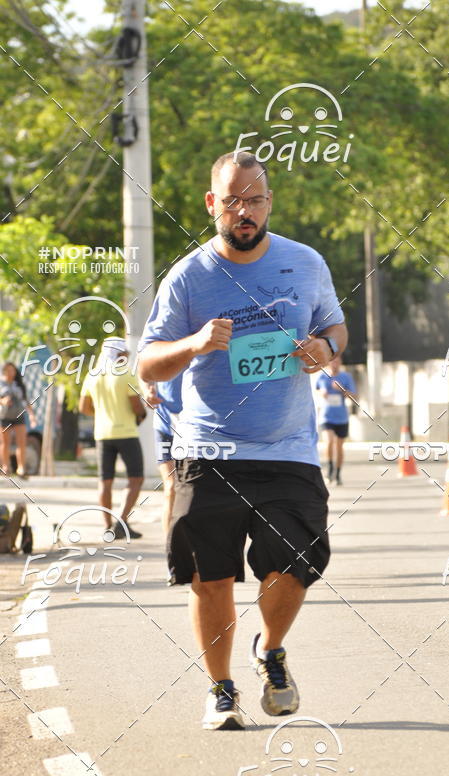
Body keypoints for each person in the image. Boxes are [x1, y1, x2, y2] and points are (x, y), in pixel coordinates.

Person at [138, 150, 348, 731]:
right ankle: (221, 688)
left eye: (254, 200)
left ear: (269, 203)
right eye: (232, 200)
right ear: (213, 204)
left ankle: (270, 649)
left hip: (287, 447)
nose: (244, 211)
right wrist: (196, 343)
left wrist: (326, 350)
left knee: (295, 565)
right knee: (210, 578)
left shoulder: (305, 263)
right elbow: (149, 364)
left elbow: (334, 325)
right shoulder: (189, 277)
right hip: (207, 451)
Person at [79, 337, 146, 539]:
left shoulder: (93, 374)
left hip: (102, 434)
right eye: (125, 353)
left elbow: (83, 407)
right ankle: (122, 521)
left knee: (105, 481)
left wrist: (102, 415)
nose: (127, 357)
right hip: (126, 433)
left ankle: (108, 526)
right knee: (136, 478)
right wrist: (141, 414)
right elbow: (136, 405)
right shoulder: (126, 373)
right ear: (119, 354)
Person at [142, 372, 183, 534]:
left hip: (196, 426)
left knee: (198, 490)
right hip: (165, 424)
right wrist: (147, 390)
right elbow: (143, 370)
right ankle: (170, 549)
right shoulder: (160, 345)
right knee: (171, 487)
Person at [316, 357, 357, 486]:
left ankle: (337, 474)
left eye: (337, 361)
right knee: (329, 441)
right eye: (332, 361)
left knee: (339, 446)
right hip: (326, 416)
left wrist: (341, 390)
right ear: (328, 363)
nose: (334, 364)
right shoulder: (322, 376)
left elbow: (354, 396)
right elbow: (317, 390)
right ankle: (329, 470)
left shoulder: (346, 377)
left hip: (341, 417)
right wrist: (321, 393)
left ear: (340, 363)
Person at [0, 361, 37, 479]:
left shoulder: (19, 385)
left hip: (19, 416)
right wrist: (2, 401)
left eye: (13, 370)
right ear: (4, 371)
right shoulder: (1, 384)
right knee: (5, 443)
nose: (11, 373)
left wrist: (31, 416)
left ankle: (21, 468)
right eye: (8, 370)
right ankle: (6, 467)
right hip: (4, 416)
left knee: (22, 442)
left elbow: (26, 401)